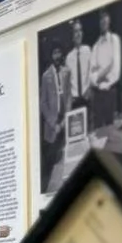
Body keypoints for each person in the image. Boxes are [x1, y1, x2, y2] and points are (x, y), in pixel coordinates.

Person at [39, 44, 68, 190]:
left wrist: (64, 122)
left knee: (63, 159)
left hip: (64, 123)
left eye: (59, 52)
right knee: (51, 162)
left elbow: (68, 97)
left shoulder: (65, 72)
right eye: (55, 52)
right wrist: (53, 123)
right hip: (52, 126)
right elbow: (43, 103)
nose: (57, 55)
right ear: (51, 56)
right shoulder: (46, 76)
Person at [89, 9, 122, 130]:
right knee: (98, 132)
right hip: (97, 95)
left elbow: (116, 70)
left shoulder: (114, 40)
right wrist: (102, 73)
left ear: (109, 20)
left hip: (110, 92)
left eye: (105, 17)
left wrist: (99, 74)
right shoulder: (95, 46)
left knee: (110, 132)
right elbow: (91, 76)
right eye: (100, 19)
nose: (103, 21)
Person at [65, 20, 92, 111]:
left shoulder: (88, 51)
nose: (78, 34)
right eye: (76, 31)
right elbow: (68, 83)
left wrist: (89, 90)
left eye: (80, 30)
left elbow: (92, 73)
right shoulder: (69, 57)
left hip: (87, 98)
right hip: (75, 102)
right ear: (72, 35)